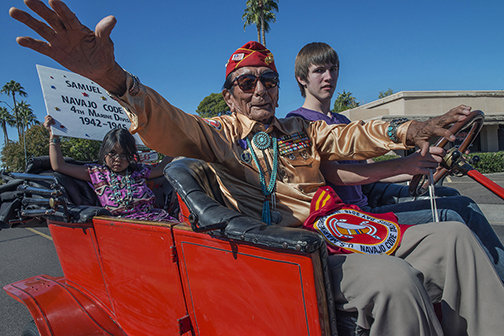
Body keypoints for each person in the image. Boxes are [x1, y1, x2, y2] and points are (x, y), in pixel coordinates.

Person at [11, 1, 504, 334]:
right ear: (230, 96)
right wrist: (112, 78)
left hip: (343, 229)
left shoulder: (300, 129)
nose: (259, 89)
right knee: (392, 281)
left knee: (455, 235)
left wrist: (410, 131)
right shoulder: (219, 135)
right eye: (245, 83)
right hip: (279, 253)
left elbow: (351, 134)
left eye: (267, 80)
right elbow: (168, 125)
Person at [287, 41, 504, 279]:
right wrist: (403, 164)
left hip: (366, 200)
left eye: (333, 69)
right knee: (456, 211)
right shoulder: (299, 123)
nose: (329, 77)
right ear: (301, 78)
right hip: (347, 217)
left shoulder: (342, 120)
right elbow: (335, 174)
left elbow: (369, 169)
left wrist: (419, 164)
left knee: (454, 197)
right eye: (319, 71)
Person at [44, 114, 175, 221]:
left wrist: (177, 142)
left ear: (131, 156)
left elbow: (161, 168)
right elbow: (59, 165)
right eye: (112, 153)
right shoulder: (96, 173)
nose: (118, 159)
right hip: (120, 228)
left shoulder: (139, 171)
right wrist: (53, 135)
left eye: (124, 154)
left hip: (157, 222)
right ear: (104, 153)